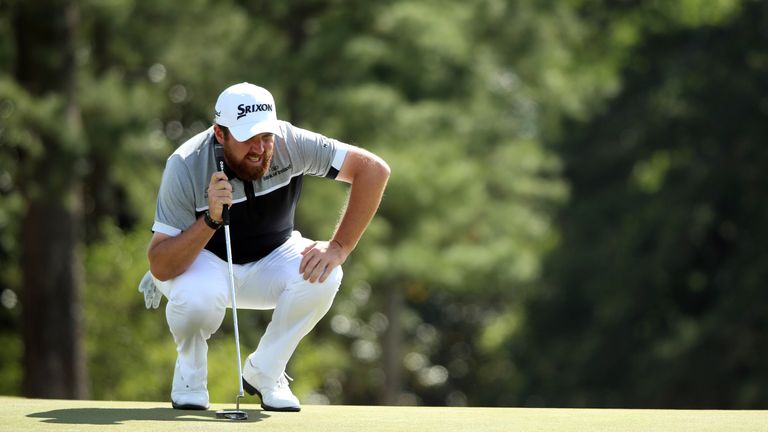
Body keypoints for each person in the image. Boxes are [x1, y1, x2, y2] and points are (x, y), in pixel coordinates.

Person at [137, 82, 390, 412]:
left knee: (326, 274)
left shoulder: (291, 142)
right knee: (196, 300)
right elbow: (160, 263)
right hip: (204, 264)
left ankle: (266, 372)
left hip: (272, 258)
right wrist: (211, 219)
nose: (259, 148)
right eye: (247, 137)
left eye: (265, 136)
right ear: (220, 133)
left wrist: (339, 246)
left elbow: (373, 170)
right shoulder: (185, 164)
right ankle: (190, 375)